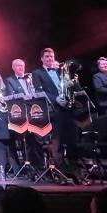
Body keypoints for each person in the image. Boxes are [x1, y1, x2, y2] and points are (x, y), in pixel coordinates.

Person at [32, 48, 85, 184]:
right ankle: (61, 175)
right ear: (42, 59)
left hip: (69, 110)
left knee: (73, 142)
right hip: (55, 111)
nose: (50, 58)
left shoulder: (61, 71)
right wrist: (55, 98)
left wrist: (73, 84)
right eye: (47, 56)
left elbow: (71, 86)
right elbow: (39, 91)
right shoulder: (37, 73)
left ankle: (77, 174)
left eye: (52, 56)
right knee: (58, 144)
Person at [4, 59, 42, 177]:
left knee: (38, 141)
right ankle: (30, 169)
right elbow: (12, 96)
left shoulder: (29, 78)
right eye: (18, 66)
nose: (21, 68)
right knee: (28, 142)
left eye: (22, 66)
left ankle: (40, 167)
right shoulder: (9, 80)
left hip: (35, 113)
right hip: (21, 115)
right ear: (13, 67)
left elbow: (37, 90)